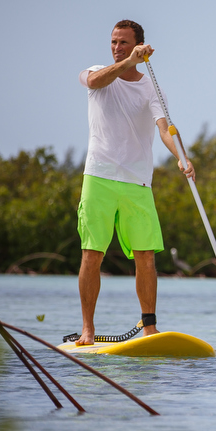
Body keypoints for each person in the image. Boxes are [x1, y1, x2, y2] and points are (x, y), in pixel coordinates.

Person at [75, 21, 195, 346]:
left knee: (146, 256)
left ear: (139, 43)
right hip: (98, 177)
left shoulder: (151, 88)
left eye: (125, 43)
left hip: (137, 182)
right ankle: (88, 330)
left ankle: (149, 328)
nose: (117, 47)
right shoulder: (97, 73)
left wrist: (182, 157)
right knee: (92, 254)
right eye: (114, 42)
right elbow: (95, 81)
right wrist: (128, 62)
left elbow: (165, 128)